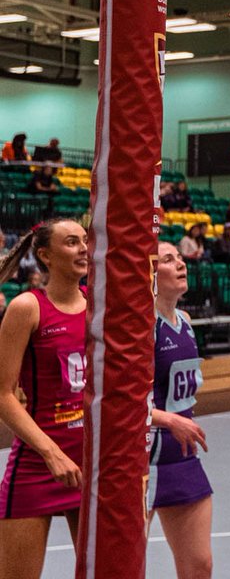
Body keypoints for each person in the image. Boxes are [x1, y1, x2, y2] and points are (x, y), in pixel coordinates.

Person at [0, 219, 88, 577]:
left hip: (89, 463)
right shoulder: (28, 307)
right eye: (71, 242)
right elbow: (3, 394)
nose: (83, 248)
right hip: (39, 462)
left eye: (85, 240)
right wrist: (51, 453)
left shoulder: (100, 305)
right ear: (45, 255)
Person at [149, 242, 214, 579]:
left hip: (183, 453)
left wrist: (179, 421)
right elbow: (120, 401)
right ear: (149, 272)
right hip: (144, 457)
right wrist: (167, 419)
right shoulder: (141, 326)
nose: (180, 264)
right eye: (168, 259)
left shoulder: (185, 320)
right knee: (126, 564)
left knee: (199, 565)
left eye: (180, 257)